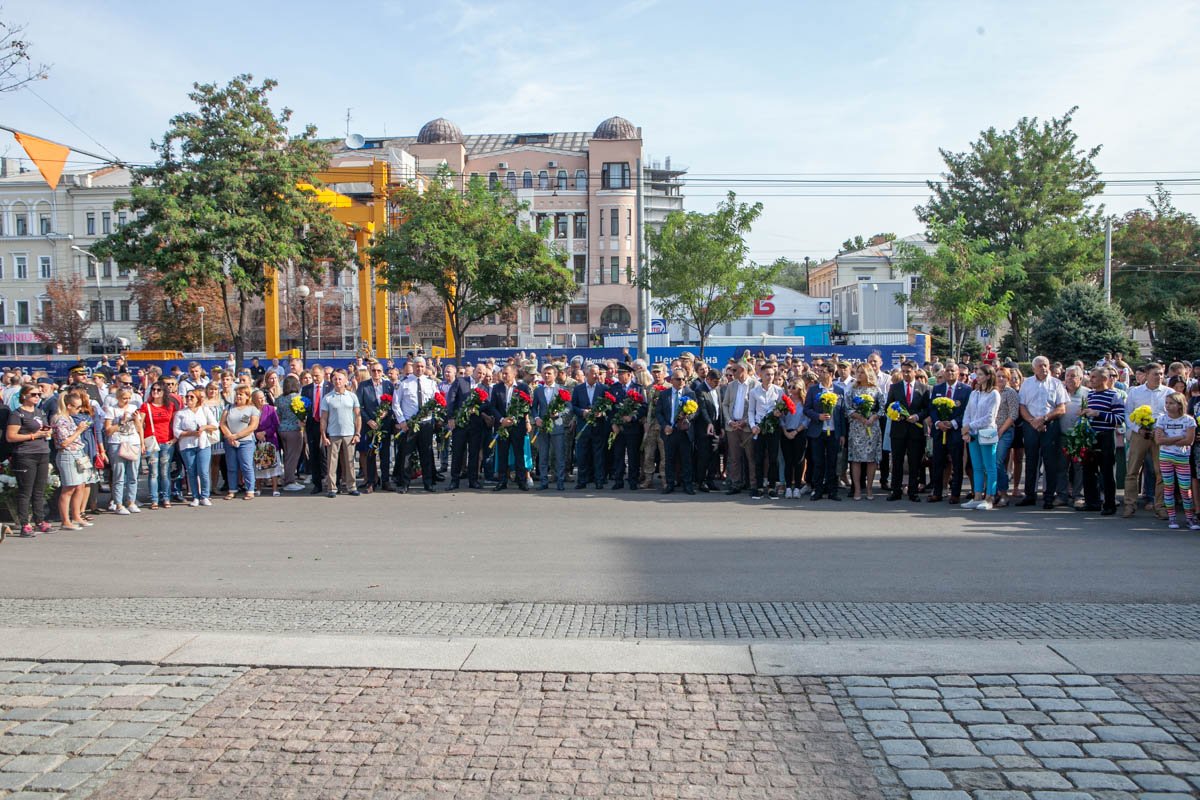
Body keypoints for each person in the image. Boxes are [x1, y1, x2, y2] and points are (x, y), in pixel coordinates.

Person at [1017, 356, 1069, 510]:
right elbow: (1022, 406)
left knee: (1050, 462)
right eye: (1040, 366)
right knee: (1031, 461)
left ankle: (1048, 496)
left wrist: (1044, 419)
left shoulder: (1056, 383)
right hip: (1030, 425)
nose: (1044, 368)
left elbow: (1061, 408)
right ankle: (1029, 495)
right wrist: (1033, 422)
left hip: (1050, 425)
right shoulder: (1027, 384)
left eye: (1046, 365)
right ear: (1033, 369)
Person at [1123, 362, 1170, 519]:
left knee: (1161, 472)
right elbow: (1128, 414)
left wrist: (1162, 429)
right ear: (1147, 374)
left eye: (1162, 374)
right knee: (1132, 470)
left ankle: (1160, 506)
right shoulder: (1135, 392)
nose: (1159, 377)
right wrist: (1138, 429)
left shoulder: (1168, 392)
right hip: (1140, 434)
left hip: (1160, 435)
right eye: (1156, 374)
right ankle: (1130, 504)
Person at [7, 384, 54, 535]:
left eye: (38, 395)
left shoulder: (40, 412)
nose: (36, 397)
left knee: (39, 490)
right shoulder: (17, 414)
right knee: (25, 491)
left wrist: (47, 432)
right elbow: (11, 436)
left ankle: (40, 520)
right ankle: (24, 524)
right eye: (33, 394)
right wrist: (33, 436)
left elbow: (43, 429)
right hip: (25, 454)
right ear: (24, 396)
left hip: (42, 451)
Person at [52, 391, 97, 530]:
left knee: (80, 486)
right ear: (69, 406)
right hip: (67, 454)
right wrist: (79, 431)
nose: (79, 410)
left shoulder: (70, 418)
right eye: (77, 407)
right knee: (69, 488)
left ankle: (76, 516)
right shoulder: (60, 419)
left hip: (78, 452)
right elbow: (64, 442)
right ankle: (65, 520)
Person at [392, 357, 438, 493]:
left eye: (422, 366)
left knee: (427, 453)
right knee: (407, 455)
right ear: (413, 367)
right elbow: (395, 404)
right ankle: (405, 483)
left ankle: (428, 483)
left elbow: (436, 401)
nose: (420, 369)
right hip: (409, 424)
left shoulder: (431, 383)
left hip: (426, 423)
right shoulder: (403, 383)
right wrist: (402, 421)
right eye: (417, 366)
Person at [1081, 367, 1123, 515]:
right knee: (1089, 470)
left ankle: (1109, 504)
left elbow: (1119, 419)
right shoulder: (1090, 395)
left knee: (1106, 471)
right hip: (1090, 436)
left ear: (1104, 379)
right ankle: (1092, 502)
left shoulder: (1114, 395)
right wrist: (1085, 414)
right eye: (1090, 377)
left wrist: (1098, 413)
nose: (1090, 380)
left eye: (1094, 377)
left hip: (1105, 435)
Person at [886, 361, 930, 502]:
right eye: (903, 371)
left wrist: (917, 416)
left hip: (915, 431)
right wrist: (895, 414)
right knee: (897, 462)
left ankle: (913, 491)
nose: (905, 374)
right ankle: (895, 490)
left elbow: (927, 409)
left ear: (915, 372)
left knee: (914, 462)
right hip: (898, 430)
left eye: (908, 371)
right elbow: (889, 405)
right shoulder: (895, 387)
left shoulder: (924, 388)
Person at [927, 361, 970, 503]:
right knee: (938, 462)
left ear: (958, 373)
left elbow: (966, 411)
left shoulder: (965, 389)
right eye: (948, 371)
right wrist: (938, 422)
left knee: (957, 463)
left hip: (955, 431)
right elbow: (932, 408)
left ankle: (955, 493)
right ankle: (937, 491)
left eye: (953, 371)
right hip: (940, 431)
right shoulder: (937, 388)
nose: (950, 373)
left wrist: (953, 423)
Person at [803, 362, 846, 501]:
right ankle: (817, 490)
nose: (820, 374)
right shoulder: (814, 390)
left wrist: (842, 434)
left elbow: (842, 414)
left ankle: (832, 490)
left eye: (823, 372)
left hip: (834, 432)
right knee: (818, 462)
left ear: (831, 374)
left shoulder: (839, 391)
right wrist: (818, 416)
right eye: (819, 371)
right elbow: (807, 409)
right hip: (817, 432)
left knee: (833, 462)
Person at [1154, 391, 1197, 530]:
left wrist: (1169, 440)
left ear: (1180, 405)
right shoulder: (1162, 419)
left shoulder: (1189, 420)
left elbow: (1189, 441)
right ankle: (1172, 518)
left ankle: (1190, 518)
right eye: (1166, 403)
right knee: (1169, 487)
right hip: (1166, 456)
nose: (1168, 406)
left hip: (1182, 458)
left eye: (1171, 403)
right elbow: (1158, 440)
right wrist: (1178, 438)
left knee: (1185, 489)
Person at [961, 363, 1001, 511]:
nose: (977, 377)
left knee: (989, 467)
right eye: (977, 375)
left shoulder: (994, 394)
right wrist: (966, 429)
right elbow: (968, 412)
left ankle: (989, 497)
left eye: (980, 375)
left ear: (989, 376)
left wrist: (969, 426)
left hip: (987, 433)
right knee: (977, 466)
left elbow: (989, 418)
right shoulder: (974, 393)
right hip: (973, 434)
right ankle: (977, 496)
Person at [446, 363, 488, 490]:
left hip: (476, 425)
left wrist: (477, 408)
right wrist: (451, 417)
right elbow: (451, 399)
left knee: (474, 453)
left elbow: (486, 404)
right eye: (479, 372)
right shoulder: (460, 381)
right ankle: (454, 480)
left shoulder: (484, 387)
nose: (481, 375)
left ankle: (473, 480)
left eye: (484, 374)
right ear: (474, 371)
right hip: (460, 424)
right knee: (458, 452)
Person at [320, 370, 362, 498]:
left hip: (349, 434)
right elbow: (323, 418)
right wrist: (324, 436)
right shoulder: (327, 398)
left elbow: (358, 416)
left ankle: (351, 486)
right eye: (335, 379)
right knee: (332, 463)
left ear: (345, 381)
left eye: (340, 379)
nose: (337, 381)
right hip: (333, 434)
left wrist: (357, 433)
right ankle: (332, 488)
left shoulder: (352, 396)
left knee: (350, 461)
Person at [490, 365, 531, 491]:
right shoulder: (497, 388)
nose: (504, 375)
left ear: (514, 374)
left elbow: (527, 406)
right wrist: (502, 420)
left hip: (517, 426)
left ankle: (521, 481)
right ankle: (502, 481)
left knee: (519, 454)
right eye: (503, 373)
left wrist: (515, 419)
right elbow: (493, 407)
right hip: (502, 426)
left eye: (506, 373)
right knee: (502, 454)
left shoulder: (522, 387)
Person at [173, 389, 217, 507]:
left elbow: (214, 425)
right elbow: (176, 431)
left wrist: (204, 427)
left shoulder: (204, 410)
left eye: (192, 397)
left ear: (197, 398)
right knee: (191, 471)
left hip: (203, 444)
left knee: (203, 471)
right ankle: (195, 496)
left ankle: (205, 495)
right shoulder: (180, 413)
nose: (189, 399)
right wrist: (191, 433)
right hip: (187, 446)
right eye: (187, 397)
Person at [846, 364, 883, 501]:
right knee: (856, 459)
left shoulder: (876, 389)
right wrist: (860, 417)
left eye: (862, 372)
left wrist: (873, 417)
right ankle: (857, 489)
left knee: (871, 460)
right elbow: (848, 409)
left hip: (872, 427)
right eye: (857, 372)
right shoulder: (852, 390)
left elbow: (883, 408)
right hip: (857, 427)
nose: (859, 375)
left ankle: (869, 489)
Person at [656, 369, 696, 494]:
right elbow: (659, 412)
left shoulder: (690, 393)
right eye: (678, 379)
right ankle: (670, 484)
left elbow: (695, 411)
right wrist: (664, 425)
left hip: (684, 432)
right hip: (670, 432)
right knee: (669, 459)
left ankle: (687, 484)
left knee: (686, 459)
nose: (681, 381)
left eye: (683, 379)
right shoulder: (664, 394)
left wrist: (686, 419)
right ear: (672, 380)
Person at [356, 362, 394, 493]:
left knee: (385, 454)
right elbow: (359, 406)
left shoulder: (388, 385)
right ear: (370, 371)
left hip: (385, 425)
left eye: (378, 371)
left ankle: (386, 481)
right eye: (373, 371)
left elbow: (394, 403)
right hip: (370, 426)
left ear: (382, 372)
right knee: (370, 454)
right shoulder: (363, 386)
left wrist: (387, 412)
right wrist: (368, 420)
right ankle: (371, 481)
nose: (376, 373)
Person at [139, 380, 177, 510]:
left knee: (165, 472)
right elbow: (140, 424)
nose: (155, 392)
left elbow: (176, 423)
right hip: (152, 441)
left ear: (163, 392)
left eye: (158, 390)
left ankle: (166, 497)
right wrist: (141, 441)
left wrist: (175, 439)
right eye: (153, 389)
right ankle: (154, 499)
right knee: (153, 472)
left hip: (167, 441)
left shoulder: (170, 406)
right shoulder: (146, 406)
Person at [749, 362, 784, 499]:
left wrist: (779, 413)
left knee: (773, 458)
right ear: (761, 375)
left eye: (772, 374)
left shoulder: (778, 391)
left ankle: (771, 486)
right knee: (758, 458)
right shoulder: (754, 392)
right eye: (767, 374)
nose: (770, 377)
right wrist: (753, 426)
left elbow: (782, 409)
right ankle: (758, 486)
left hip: (773, 428)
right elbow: (751, 411)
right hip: (759, 428)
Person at [571, 364, 609, 490]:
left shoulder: (604, 389)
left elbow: (609, 406)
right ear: (586, 374)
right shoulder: (578, 389)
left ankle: (599, 480)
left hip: (598, 427)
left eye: (597, 373)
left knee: (598, 455)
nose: (596, 375)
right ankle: (582, 480)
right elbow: (573, 406)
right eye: (593, 373)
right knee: (582, 455)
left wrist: (602, 412)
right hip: (583, 427)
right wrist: (582, 412)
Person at [531, 364, 568, 491]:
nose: (546, 376)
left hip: (557, 427)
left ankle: (560, 481)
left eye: (549, 373)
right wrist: (536, 419)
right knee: (543, 455)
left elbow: (569, 408)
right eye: (544, 373)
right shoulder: (538, 390)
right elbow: (534, 408)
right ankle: (543, 481)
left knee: (559, 455)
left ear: (555, 375)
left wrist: (559, 413)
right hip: (542, 427)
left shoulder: (561, 389)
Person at [721, 361, 756, 495]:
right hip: (733, 427)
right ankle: (736, 484)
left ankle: (753, 484)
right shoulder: (731, 385)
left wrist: (746, 421)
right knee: (734, 457)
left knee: (750, 457)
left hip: (747, 428)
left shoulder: (755, 385)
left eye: (734, 370)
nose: (732, 373)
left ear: (742, 370)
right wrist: (729, 421)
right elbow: (725, 405)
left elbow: (755, 408)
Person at [609, 363, 645, 491]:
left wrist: (632, 417)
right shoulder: (614, 388)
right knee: (618, 455)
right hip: (618, 428)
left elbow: (643, 407)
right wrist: (613, 423)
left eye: (621, 373)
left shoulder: (638, 388)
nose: (619, 376)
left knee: (633, 455)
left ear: (629, 375)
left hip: (633, 428)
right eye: (618, 373)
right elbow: (610, 408)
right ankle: (618, 480)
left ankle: (633, 480)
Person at [220, 385, 260, 500]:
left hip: (246, 442)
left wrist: (237, 436)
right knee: (231, 466)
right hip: (230, 442)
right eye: (237, 394)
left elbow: (253, 426)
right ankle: (232, 490)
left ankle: (250, 490)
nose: (238, 396)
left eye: (241, 394)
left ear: (247, 396)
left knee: (246, 466)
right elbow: (222, 423)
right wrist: (229, 436)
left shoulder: (252, 409)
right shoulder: (228, 407)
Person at [301, 366, 331, 496]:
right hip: (312, 423)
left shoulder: (330, 387)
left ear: (323, 374)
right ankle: (317, 483)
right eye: (313, 376)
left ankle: (330, 480)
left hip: (329, 423)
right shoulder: (306, 389)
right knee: (314, 453)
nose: (314, 378)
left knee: (328, 452)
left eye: (317, 375)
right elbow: (303, 406)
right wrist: (301, 417)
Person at [694, 367, 724, 493]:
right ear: (708, 379)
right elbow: (703, 410)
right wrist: (709, 423)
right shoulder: (700, 390)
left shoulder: (717, 389)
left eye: (719, 382)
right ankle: (701, 481)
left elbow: (720, 408)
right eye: (715, 382)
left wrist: (721, 426)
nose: (717, 384)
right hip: (704, 428)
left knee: (714, 455)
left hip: (716, 426)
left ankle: (710, 480)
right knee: (704, 456)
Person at [274, 375, 306, 492]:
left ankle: (288, 478)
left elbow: (279, 415)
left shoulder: (280, 399)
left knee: (287, 456)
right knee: (293, 457)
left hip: (282, 429)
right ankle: (289, 481)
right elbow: (302, 417)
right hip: (294, 430)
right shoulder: (298, 398)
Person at [252, 389, 283, 497]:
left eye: (263, 398)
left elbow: (276, 424)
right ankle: (258, 488)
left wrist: (265, 432)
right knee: (258, 466)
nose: (262, 400)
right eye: (259, 398)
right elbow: (249, 425)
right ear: (254, 400)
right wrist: (256, 433)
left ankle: (275, 489)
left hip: (270, 440)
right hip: (257, 441)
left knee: (273, 466)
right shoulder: (251, 410)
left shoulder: (270, 409)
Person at [780, 380, 809, 499]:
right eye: (790, 387)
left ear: (800, 388)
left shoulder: (804, 402)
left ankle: (797, 487)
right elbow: (780, 418)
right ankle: (788, 487)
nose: (791, 389)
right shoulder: (784, 401)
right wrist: (786, 432)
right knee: (788, 461)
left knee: (799, 460)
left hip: (799, 433)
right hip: (786, 433)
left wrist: (796, 431)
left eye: (794, 387)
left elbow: (807, 420)